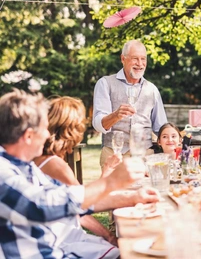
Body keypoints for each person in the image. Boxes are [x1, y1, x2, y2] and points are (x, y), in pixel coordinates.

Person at [0, 89, 160, 258]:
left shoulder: (25, 166)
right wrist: (109, 182)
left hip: (56, 249)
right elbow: (40, 205)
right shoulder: (3, 170)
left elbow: (72, 200)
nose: (48, 134)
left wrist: (133, 198)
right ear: (29, 136)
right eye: (44, 129)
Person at [34, 96, 119, 246]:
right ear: (72, 128)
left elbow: (77, 202)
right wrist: (110, 238)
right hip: (63, 239)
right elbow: (83, 207)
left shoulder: (41, 157)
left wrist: (106, 171)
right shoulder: (55, 165)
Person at [92, 39, 167, 168]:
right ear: (123, 59)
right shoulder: (105, 83)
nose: (140, 64)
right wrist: (115, 115)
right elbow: (98, 124)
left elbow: (161, 127)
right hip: (114, 155)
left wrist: (174, 136)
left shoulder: (152, 89)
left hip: (145, 156)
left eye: (143, 59)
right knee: (116, 189)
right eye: (135, 59)